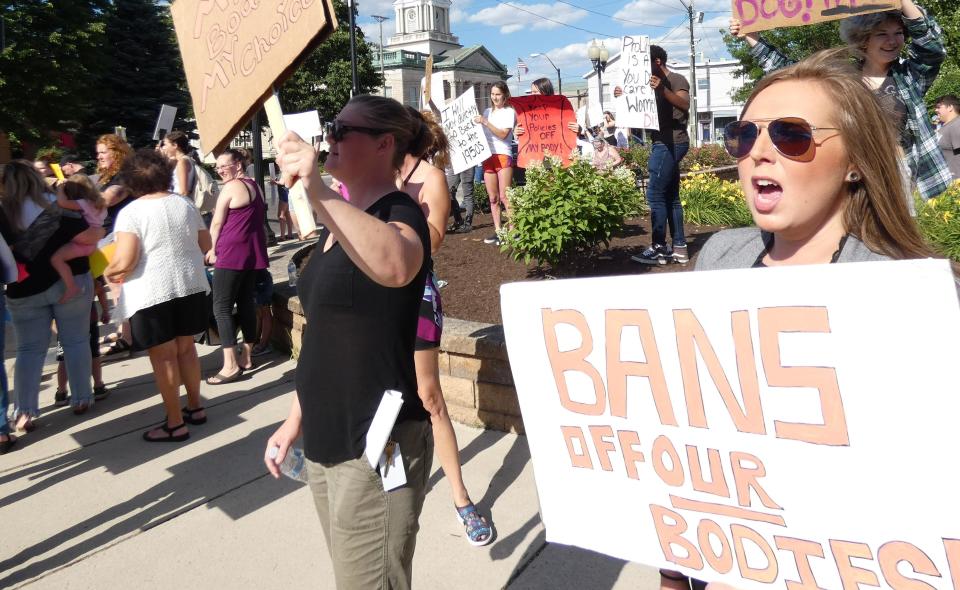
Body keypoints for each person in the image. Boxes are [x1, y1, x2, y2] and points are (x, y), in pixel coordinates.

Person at [660, 48, 959, 590]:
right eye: (745, 136)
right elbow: (692, 439)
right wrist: (678, 573)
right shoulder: (720, 256)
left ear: (855, 162)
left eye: (792, 135)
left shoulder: (908, 293)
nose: (759, 154)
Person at [265, 95, 433, 590]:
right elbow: (327, 333)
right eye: (331, 128)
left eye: (343, 130)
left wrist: (316, 186)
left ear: (384, 144)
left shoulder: (400, 211)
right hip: (324, 434)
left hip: (376, 440)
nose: (330, 138)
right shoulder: (335, 224)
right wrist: (294, 420)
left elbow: (398, 264)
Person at [729, 0, 952, 206]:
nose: (892, 41)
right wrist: (751, 35)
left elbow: (931, 48)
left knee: (902, 241)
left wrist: (901, 0)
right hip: (856, 175)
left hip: (903, 175)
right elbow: (791, 72)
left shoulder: (909, 76)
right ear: (863, 39)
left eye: (898, 33)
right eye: (882, 34)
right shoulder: (845, 80)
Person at [399, 106, 492, 546]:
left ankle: (460, 496)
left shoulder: (430, 177)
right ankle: (393, 483)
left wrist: (396, 199)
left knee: (429, 397)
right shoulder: (361, 178)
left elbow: (433, 239)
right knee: (378, 395)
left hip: (415, 294)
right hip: (369, 301)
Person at [104, 149, 211, 442]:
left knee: (163, 358)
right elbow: (205, 243)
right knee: (187, 348)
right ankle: (195, 406)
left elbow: (125, 260)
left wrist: (108, 270)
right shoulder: (184, 204)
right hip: (189, 284)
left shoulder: (131, 213)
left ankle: (175, 423)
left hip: (152, 290)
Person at [1, 161, 101, 428]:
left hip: (23, 288)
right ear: (36, 178)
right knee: (76, 341)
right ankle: (81, 398)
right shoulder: (57, 204)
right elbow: (89, 237)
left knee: (28, 350)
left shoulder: (3, 213)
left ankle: (24, 411)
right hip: (70, 279)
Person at [205, 148, 268, 384]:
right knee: (245, 303)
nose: (220, 170)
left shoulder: (231, 187)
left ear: (238, 164)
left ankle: (230, 365)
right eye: (217, 167)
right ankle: (247, 357)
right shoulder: (256, 186)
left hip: (231, 252)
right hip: (251, 252)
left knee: (220, 307)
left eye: (224, 165)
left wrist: (211, 250)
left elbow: (217, 222)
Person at [628, 44, 691, 266]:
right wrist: (622, 95)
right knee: (671, 196)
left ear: (657, 62)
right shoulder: (647, 85)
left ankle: (659, 247)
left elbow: (684, 104)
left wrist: (662, 90)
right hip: (661, 141)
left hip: (671, 142)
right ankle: (679, 248)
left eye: (644, 63)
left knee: (654, 194)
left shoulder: (676, 79)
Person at [93, 133, 136, 357]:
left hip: (117, 236)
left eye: (103, 152)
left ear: (116, 152)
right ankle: (123, 331)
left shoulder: (123, 176)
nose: (98, 157)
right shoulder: (108, 175)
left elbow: (109, 199)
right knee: (116, 286)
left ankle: (128, 336)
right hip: (109, 236)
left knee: (119, 287)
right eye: (98, 152)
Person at [54, 277, 111, 405]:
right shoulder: (87, 268)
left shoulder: (54, 272)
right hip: (88, 319)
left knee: (63, 358)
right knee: (94, 353)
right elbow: (100, 289)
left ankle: (61, 392)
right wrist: (105, 311)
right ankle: (98, 386)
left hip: (64, 322)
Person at [50, 174, 106, 303]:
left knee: (56, 259)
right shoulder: (99, 202)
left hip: (83, 243)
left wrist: (60, 188)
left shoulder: (83, 203)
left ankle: (71, 287)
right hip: (93, 244)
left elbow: (62, 202)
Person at [474, 81, 517, 246]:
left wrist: (485, 122)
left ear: (505, 95)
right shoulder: (486, 111)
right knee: (493, 197)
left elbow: (503, 134)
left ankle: (513, 230)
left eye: (498, 94)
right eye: (492, 94)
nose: (494, 97)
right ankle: (499, 230)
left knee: (505, 196)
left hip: (502, 154)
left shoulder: (509, 112)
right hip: (487, 156)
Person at [159, 130, 197, 197]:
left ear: (175, 145)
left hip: (178, 201)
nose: (164, 148)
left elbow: (183, 191)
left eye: (165, 144)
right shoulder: (183, 160)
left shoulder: (182, 162)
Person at [935, 94, 960, 180]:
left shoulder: (957, 125)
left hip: (956, 181)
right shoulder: (947, 126)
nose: (936, 110)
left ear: (950, 107)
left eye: (939, 107)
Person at [251, 268, 274, 357]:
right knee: (258, 312)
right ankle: (255, 341)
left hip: (260, 279)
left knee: (264, 311)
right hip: (253, 279)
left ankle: (263, 344)